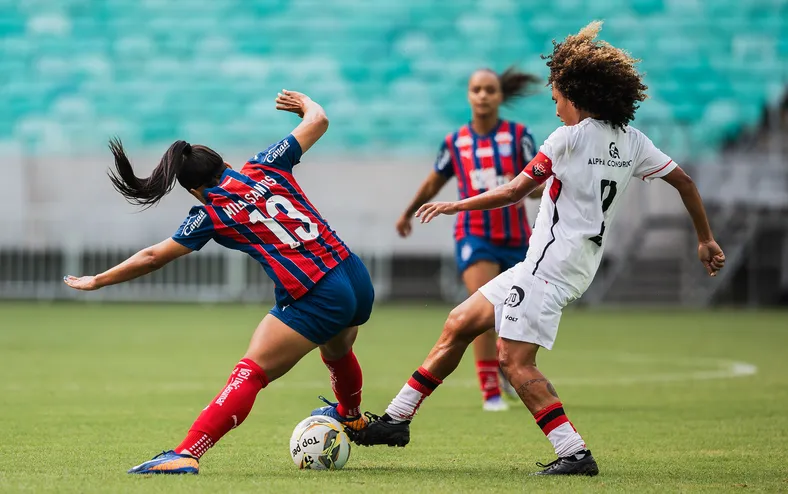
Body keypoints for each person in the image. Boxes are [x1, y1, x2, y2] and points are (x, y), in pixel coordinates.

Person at [352, 22, 726, 477]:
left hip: (548, 269)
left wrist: (456, 204)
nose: (555, 111)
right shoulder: (634, 141)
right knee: (459, 323)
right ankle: (397, 420)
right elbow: (684, 182)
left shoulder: (568, 139)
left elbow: (513, 192)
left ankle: (574, 453)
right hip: (566, 266)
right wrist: (704, 238)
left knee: (514, 361)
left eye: (556, 101)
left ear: (574, 93)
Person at [63, 90, 375, 474]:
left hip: (316, 291)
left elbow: (152, 257)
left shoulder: (210, 213)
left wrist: (98, 280)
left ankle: (186, 453)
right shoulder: (266, 164)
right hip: (355, 274)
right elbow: (319, 121)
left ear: (194, 190)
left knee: (251, 371)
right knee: (337, 349)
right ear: (226, 162)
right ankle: (352, 416)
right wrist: (305, 104)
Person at [395, 67, 543, 411]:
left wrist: (531, 190)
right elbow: (433, 183)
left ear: (500, 96)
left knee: (516, 313)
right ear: (468, 95)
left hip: (517, 237)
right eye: (476, 89)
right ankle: (489, 389)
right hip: (475, 234)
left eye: (489, 90)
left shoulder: (520, 136)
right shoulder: (455, 142)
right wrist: (407, 213)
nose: (483, 95)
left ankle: (509, 372)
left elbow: (537, 185)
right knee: (484, 310)